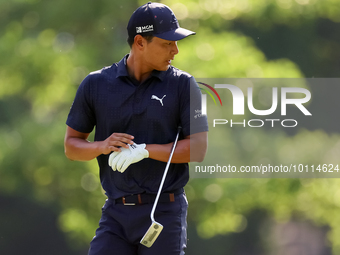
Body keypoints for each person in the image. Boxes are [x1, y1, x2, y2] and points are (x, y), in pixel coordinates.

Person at [64, 2, 208, 255]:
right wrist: (101, 146)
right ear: (140, 42)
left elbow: (198, 149)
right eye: (167, 43)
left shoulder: (184, 85)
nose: (175, 51)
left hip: (164, 211)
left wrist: (145, 150)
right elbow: (71, 147)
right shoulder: (95, 84)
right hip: (115, 213)